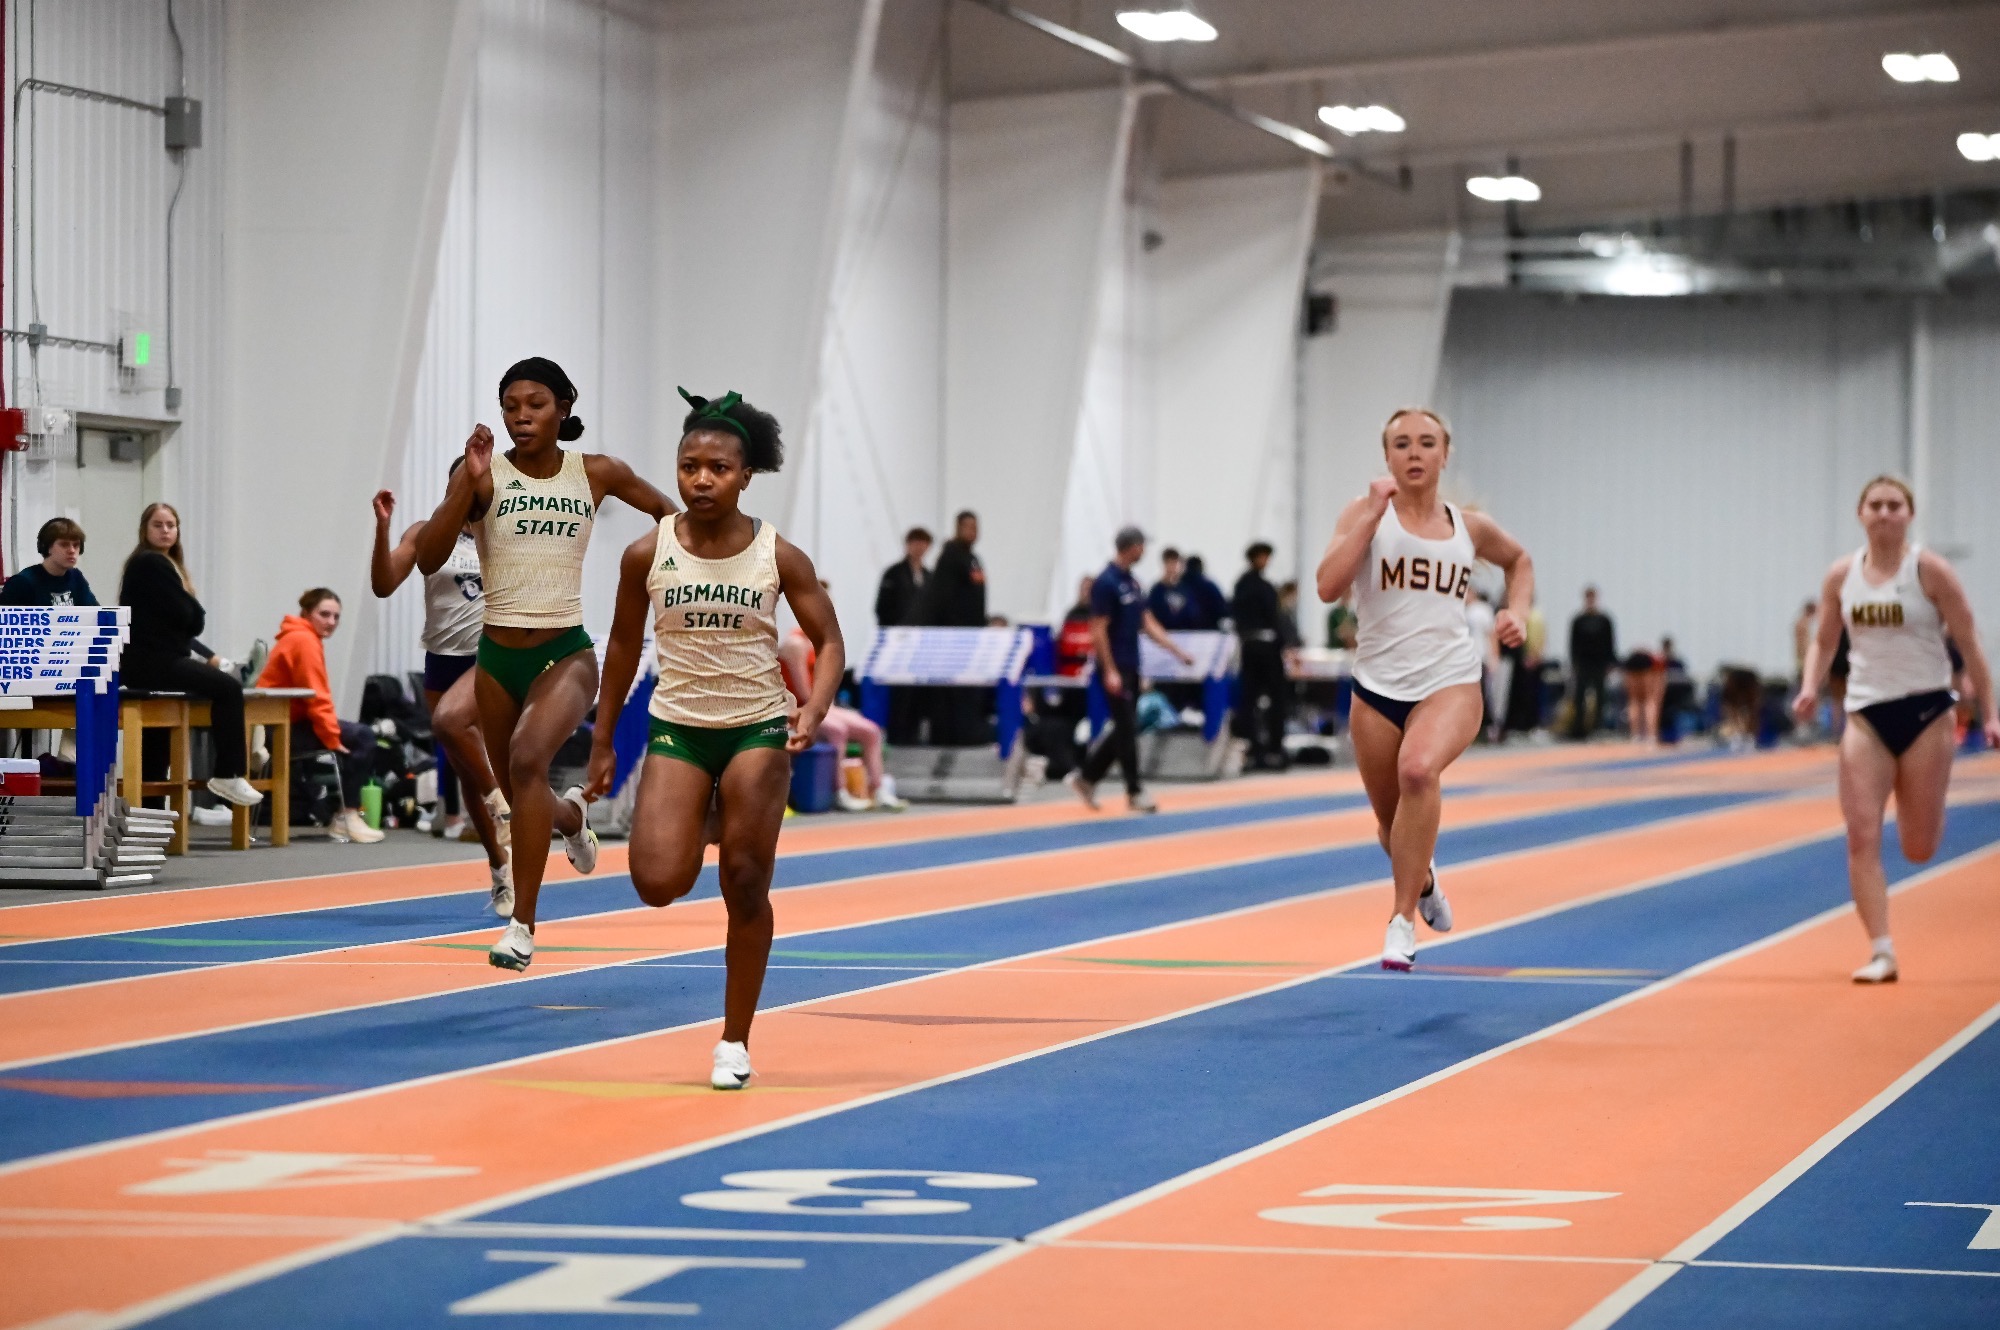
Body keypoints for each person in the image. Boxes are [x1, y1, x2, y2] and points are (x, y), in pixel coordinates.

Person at [585, 387, 843, 1090]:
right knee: (658, 882)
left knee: (745, 879)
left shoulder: (777, 555)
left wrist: (814, 707)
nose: (702, 479)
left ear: (745, 475)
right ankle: (707, 809)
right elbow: (620, 645)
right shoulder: (647, 552)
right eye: (690, 466)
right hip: (679, 727)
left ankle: (735, 1040)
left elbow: (831, 641)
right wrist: (605, 742)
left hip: (757, 726)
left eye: (719, 468)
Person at [415, 356, 673, 973]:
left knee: (528, 760)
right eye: (510, 406)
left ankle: (522, 924)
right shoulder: (485, 477)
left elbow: (672, 518)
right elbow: (427, 557)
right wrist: (463, 484)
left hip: (566, 652)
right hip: (497, 657)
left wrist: (681, 574)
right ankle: (572, 815)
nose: (521, 417)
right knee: (520, 789)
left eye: (534, 404)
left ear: (562, 406)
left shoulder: (597, 471)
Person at [1316, 407, 1533, 971]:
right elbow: (1326, 587)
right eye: (1402, 444)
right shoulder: (1365, 517)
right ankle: (1425, 877)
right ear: (1386, 457)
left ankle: (1400, 922)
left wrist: (1519, 612)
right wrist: (1369, 518)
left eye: (1426, 443)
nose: (1414, 453)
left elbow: (1519, 560)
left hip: (1450, 681)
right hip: (1377, 688)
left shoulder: (1468, 528)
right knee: (1392, 830)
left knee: (1418, 771)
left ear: (1444, 454)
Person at [1793, 475, 2000, 984]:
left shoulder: (1930, 570)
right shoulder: (1843, 575)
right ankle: (1881, 951)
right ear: (1860, 514)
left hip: (1927, 711)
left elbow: (1970, 642)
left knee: (1918, 846)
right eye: (1875, 505)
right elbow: (1824, 639)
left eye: (1894, 505)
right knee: (1861, 835)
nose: (1884, 513)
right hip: (1866, 713)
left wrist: (1990, 711)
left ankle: (1925, 806)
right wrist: (1809, 686)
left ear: (1909, 514)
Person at [370, 480, 512, 910]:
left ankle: (504, 805)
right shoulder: (426, 532)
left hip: (490, 655)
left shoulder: (504, 533)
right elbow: (383, 583)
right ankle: (500, 868)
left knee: (466, 740)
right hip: (442, 660)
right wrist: (382, 529)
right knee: (466, 768)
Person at [119, 502, 262, 810]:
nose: (165, 530)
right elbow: (191, 617)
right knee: (228, 688)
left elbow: (184, 620)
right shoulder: (151, 563)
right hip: (155, 662)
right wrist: (192, 607)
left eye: (171, 524)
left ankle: (149, 814)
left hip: (148, 662)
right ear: (144, 529)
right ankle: (228, 773)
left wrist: (188, 611)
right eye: (158, 524)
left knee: (156, 742)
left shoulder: (161, 566)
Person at [1064, 526, 1194, 815]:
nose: (1144, 551)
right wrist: (1109, 669)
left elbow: (1147, 622)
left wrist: (1176, 651)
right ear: (1131, 547)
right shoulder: (1105, 583)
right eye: (1141, 546)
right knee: (1126, 729)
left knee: (1127, 726)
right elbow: (1098, 630)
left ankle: (1087, 778)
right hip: (1115, 665)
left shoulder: (1133, 583)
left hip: (1132, 663)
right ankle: (1134, 790)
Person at [255, 590, 382, 843]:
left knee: (358, 736)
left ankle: (346, 815)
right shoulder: (303, 640)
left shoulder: (299, 637)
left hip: (276, 726)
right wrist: (333, 739)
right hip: (278, 730)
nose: (332, 622)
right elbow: (317, 698)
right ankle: (347, 816)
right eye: (324, 614)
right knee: (364, 737)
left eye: (336, 617)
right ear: (306, 613)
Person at [780, 597, 905, 812]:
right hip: (796, 709)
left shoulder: (822, 642)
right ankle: (841, 792)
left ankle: (878, 789)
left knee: (871, 731)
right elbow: (804, 693)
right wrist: (828, 708)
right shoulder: (796, 645)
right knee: (838, 730)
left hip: (819, 705)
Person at [917, 511, 987, 744]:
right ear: (957, 528)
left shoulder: (973, 559)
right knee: (950, 689)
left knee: (967, 687)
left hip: (971, 635)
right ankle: (948, 735)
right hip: (953, 636)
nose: (972, 531)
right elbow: (942, 598)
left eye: (975, 527)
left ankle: (967, 731)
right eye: (967, 527)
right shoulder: (949, 557)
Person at [1233, 542, 1290, 770]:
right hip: (1264, 647)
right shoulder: (1263, 588)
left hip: (1251, 646)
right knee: (1275, 698)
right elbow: (1274, 618)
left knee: (1249, 699)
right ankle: (1271, 748)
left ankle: (1256, 747)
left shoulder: (1242, 585)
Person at [2, 518, 98, 606]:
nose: (72, 550)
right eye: (64, 545)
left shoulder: (76, 578)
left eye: (76, 545)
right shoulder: (22, 583)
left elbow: (94, 615)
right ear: (47, 547)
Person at [1567, 586, 1616, 739]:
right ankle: (1579, 729)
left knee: (1600, 697)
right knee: (1579, 697)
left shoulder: (1604, 620)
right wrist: (1574, 663)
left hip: (1599, 663)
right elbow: (1573, 643)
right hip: (1583, 663)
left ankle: (1598, 727)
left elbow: (1610, 642)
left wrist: (1610, 662)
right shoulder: (1578, 620)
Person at [874, 527, 931, 628]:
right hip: (897, 630)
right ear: (908, 545)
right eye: (916, 543)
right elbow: (882, 606)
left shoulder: (929, 576)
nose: (919, 548)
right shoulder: (893, 573)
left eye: (923, 544)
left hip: (920, 631)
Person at [1621, 642, 1664, 743]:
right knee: (1650, 701)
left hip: (1632, 661)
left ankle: (1635, 734)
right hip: (1649, 660)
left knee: (1634, 701)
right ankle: (1651, 735)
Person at [1148, 548, 1200, 630]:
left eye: (1175, 563)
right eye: (1170, 563)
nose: (1173, 567)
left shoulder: (1185, 589)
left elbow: (1193, 614)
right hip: (1164, 633)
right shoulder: (1156, 590)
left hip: (1185, 634)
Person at [1180, 554, 1229, 631]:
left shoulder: (1179, 585)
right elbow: (1221, 608)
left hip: (1182, 631)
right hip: (1208, 630)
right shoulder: (1209, 585)